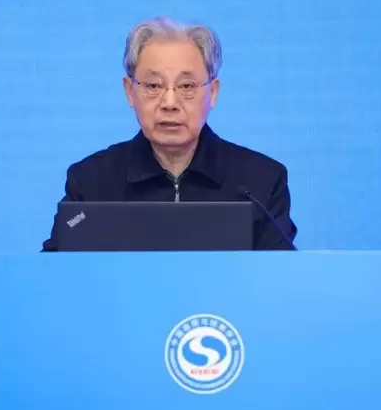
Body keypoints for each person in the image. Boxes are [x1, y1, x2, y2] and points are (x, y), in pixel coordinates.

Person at [41, 16, 297, 251]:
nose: (170, 102)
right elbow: (53, 273)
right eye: (154, 85)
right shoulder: (91, 183)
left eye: (187, 86)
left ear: (213, 93)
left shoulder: (261, 183)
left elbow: (281, 277)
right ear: (130, 91)